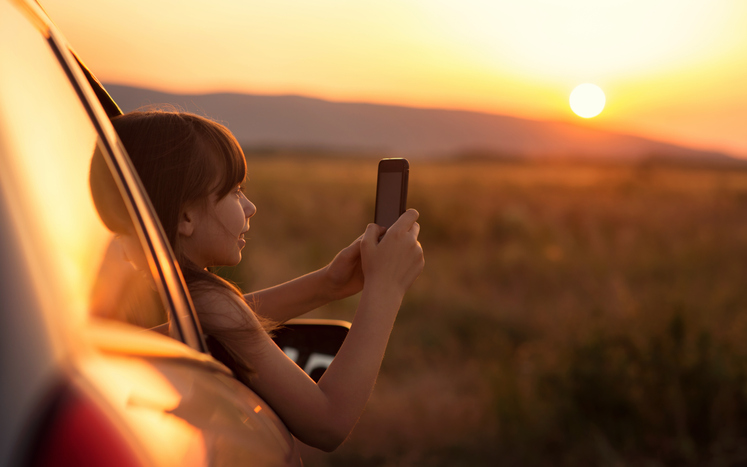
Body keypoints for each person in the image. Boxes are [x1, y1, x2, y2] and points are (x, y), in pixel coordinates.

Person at [111, 110, 424, 452]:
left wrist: (327, 285)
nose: (250, 207)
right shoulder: (210, 302)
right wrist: (386, 290)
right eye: (233, 192)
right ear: (185, 216)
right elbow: (328, 422)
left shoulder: (142, 293)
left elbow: (219, 320)